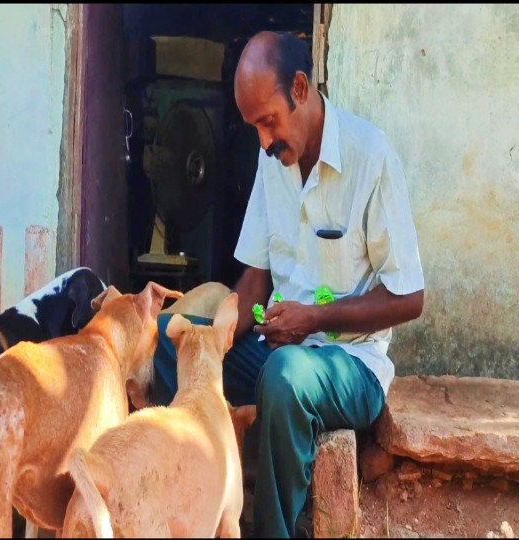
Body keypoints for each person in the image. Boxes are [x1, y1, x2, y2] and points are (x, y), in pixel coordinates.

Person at [150, 30, 425, 538]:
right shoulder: (272, 157)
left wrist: (314, 318)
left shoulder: (371, 157)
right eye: (254, 126)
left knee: (285, 376)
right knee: (173, 343)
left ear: (300, 87)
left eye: (268, 121)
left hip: (350, 365)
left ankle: (273, 529)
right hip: (274, 347)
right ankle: (194, 488)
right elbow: (256, 273)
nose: (263, 139)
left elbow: (410, 298)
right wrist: (229, 320)